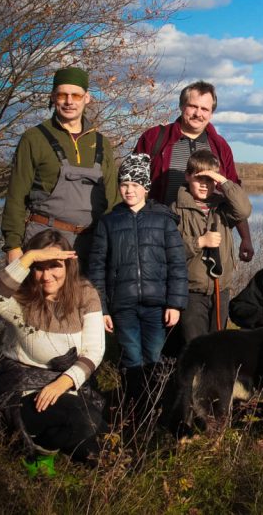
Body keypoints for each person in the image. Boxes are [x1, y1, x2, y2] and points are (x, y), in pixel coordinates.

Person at [0, 230, 107, 474]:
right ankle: (37, 452)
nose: (47, 276)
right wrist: (28, 257)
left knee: (100, 439)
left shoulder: (85, 293)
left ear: (69, 265)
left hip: (67, 386)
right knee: (82, 421)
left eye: (55, 266)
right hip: (23, 389)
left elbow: (94, 350)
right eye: (40, 267)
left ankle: (50, 444)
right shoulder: (19, 299)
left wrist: (63, 383)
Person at [1, 67, 118, 270]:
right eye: (63, 95)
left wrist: (116, 242)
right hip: (45, 242)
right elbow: (16, 196)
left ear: (87, 98)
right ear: (53, 97)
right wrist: (13, 246)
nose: (69, 101)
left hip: (92, 245)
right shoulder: (34, 138)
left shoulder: (101, 143)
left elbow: (113, 199)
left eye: (76, 95)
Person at [88, 154, 188, 385]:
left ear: (146, 188)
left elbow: (177, 265)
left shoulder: (163, 221)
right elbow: (97, 269)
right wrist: (101, 308)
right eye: (124, 184)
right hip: (123, 306)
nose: (129, 190)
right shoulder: (108, 222)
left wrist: (175, 303)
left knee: (154, 357)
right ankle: (133, 407)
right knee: (132, 358)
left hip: (157, 305)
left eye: (135, 184)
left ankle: (154, 407)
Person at [133, 80, 255, 263]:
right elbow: (132, 185)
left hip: (209, 239)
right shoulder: (154, 138)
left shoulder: (220, 146)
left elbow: (233, 193)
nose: (198, 113)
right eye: (192, 106)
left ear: (212, 113)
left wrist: (245, 238)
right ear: (182, 106)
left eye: (205, 109)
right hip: (160, 236)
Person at [170, 150, 252, 345]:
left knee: (218, 345)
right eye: (200, 179)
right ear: (188, 176)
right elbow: (171, 251)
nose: (205, 185)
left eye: (210, 180)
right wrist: (200, 242)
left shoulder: (223, 206)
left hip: (220, 289)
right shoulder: (176, 209)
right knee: (195, 345)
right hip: (192, 290)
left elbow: (244, 209)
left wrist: (222, 181)